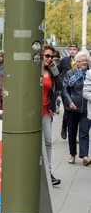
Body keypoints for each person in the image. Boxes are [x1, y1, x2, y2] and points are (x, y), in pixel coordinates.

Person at [62, 51, 89, 166]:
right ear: (77, 62)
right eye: (81, 61)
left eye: (85, 60)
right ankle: (72, 155)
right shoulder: (70, 73)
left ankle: (85, 156)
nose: (84, 62)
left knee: (84, 132)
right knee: (72, 132)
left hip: (86, 109)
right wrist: (70, 102)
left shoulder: (89, 74)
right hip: (72, 108)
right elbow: (65, 89)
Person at [43, 45, 62, 186]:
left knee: (48, 142)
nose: (49, 59)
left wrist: (54, 69)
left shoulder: (50, 71)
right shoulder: (32, 70)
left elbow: (60, 86)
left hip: (46, 111)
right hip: (31, 113)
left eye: (51, 56)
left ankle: (48, 172)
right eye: (46, 55)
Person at [60, 43, 79, 140]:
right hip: (66, 90)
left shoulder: (80, 61)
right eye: (70, 49)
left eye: (74, 49)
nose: (72, 51)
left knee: (74, 111)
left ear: (78, 50)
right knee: (68, 110)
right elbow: (58, 73)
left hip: (77, 91)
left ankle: (71, 131)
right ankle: (65, 126)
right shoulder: (64, 61)